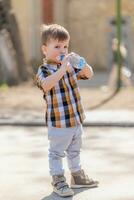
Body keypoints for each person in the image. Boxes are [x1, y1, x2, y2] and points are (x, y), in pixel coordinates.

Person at [36, 24, 99, 197]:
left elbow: (89, 74)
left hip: (75, 119)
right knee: (56, 153)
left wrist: (82, 63)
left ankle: (77, 176)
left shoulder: (71, 66)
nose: (62, 50)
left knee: (75, 150)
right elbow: (46, 85)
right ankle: (58, 180)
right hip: (59, 123)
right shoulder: (44, 70)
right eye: (57, 47)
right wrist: (62, 69)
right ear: (44, 50)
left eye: (65, 46)